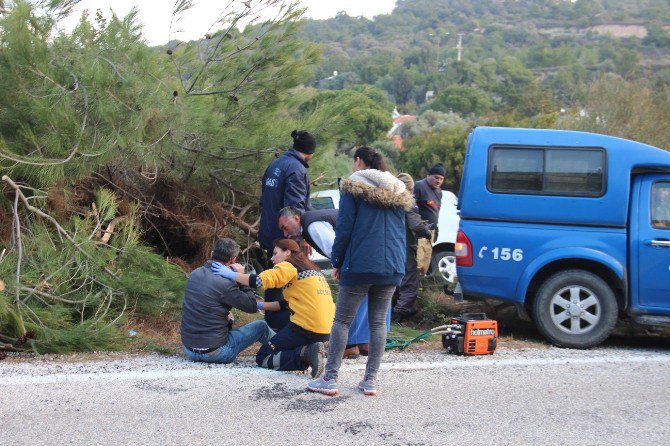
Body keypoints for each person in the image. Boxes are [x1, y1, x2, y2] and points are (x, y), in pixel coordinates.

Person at [308, 146, 413, 396]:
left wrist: (337, 261)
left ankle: (330, 379)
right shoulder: (398, 189)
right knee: (378, 323)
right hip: (393, 265)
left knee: (343, 320)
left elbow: (344, 228)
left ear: (358, 162)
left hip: (361, 263)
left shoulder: (353, 186)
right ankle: (370, 381)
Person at [278, 206, 392, 358]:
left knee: (353, 296)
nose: (286, 234)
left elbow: (334, 248)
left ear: (296, 219)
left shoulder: (313, 225)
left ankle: (350, 345)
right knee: (376, 295)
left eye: (285, 227)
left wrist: (339, 267)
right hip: (380, 249)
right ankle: (367, 343)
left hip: (362, 254)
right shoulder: (314, 220)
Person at [212, 238, 334, 378]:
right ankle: (308, 351)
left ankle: (305, 353)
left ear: (287, 252)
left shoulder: (288, 266)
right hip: (325, 331)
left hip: (305, 328)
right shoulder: (313, 271)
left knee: (263, 356)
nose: (271, 258)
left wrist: (231, 274)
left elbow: (259, 281)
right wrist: (258, 305)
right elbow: (285, 304)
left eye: (275, 253)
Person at [180, 238, 275, 364]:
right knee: (261, 326)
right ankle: (289, 349)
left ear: (212, 253)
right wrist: (242, 278)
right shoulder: (226, 282)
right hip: (216, 353)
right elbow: (251, 306)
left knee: (228, 316)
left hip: (189, 350)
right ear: (233, 260)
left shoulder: (194, 274)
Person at [258, 130, 317, 331]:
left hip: (269, 234)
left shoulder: (274, 165)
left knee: (274, 282)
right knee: (296, 284)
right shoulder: (297, 170)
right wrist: (300, 238)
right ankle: (293, 331)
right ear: (310, 153)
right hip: (285, 239)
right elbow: (294, 211)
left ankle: (271, 330)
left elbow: (263, 201)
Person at [392, 173, 432, 322]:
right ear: (409, 188)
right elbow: (415, 225)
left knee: (393, 277)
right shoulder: (407, 202)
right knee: (409, 278)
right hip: (405, 244)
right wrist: (426, 232)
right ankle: (401, 311)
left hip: (390, 244)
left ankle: (391, 308)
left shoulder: (387, 199)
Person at [414, 163, 445, 275]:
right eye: (436, 177)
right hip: (419, 231)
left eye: (441, 179)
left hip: (431, 232)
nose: (439, 181)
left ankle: (419, 286)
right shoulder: (419, 186)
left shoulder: (439, 191)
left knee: (425, 265)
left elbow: (435, 211)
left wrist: (436, 228)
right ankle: (407, 289)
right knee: (416, 263)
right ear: (429, 175)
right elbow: (410, 208)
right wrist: (419, 226)